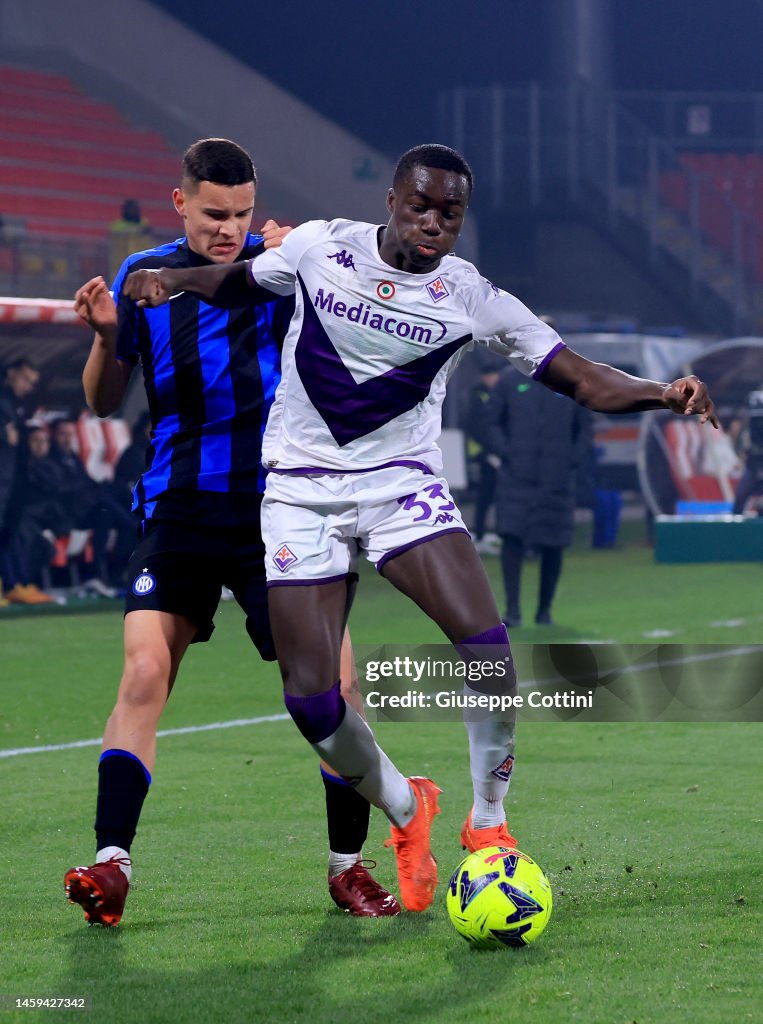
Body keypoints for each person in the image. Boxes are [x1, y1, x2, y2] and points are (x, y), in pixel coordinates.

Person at [123, 143, 718, 914]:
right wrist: (173, 280)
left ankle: (489, 824)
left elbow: (576, 375)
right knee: (310, 701)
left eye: (451, 212)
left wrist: (659, 394)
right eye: (421, 205)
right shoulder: (319, 246)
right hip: (300, 492)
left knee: (485, 643)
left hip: (401, 488)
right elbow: (240, 281)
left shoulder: (469, 297)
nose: (435, 222)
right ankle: (407, 808)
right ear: (394, 200)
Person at [65, 138, 396, 927]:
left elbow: (365, 349)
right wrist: (109, 336)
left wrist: (314, 268)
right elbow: (105, 401)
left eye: (242, 213)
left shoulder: (289, 264)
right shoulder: (144, 274)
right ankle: (112, 867)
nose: (230, 228)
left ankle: (347, 867)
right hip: (178, 508)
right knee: (145, 675)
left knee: (335, 687)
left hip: (280, 510)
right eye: (215, 214)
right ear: (179, 202)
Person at [484, 367, 594, 627]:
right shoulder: (509, 381)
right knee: (512, 539)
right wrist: (507, 453)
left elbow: (585, 427)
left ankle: (544, 611)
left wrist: (571, 459)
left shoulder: (571, 381)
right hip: (516, 478)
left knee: (553, 544)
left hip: (556, 479)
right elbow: (490, 422)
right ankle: (512, 611)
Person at [464, 350, 503, 555]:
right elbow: (476, 426)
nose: (492, 379)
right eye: (489, 375)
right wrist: (489, 452)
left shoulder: (500, 393)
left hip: (499, 452)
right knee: (485, 494)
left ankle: (499, 531)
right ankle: (479, 533)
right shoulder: (477, 394)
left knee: (499, 493)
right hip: (482, 453)